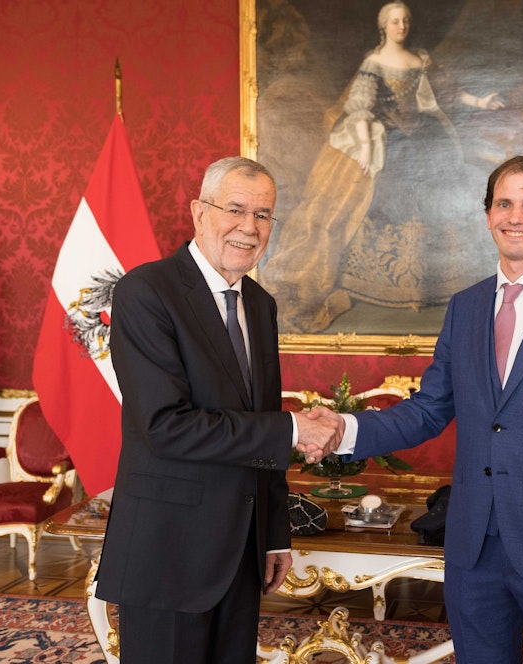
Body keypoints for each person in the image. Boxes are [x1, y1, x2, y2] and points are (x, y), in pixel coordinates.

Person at [309, 156, 523, 663]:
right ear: (487, 216)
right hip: (473, 550)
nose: (516, 217)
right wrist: (343, 429)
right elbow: (428, 410)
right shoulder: (465, 307)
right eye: (504, 204)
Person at [94, 156, 341, 664]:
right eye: (235, 209)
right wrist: (293, 428)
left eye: (263, 215)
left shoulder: (260, 304)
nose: (249, 227)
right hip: (169, 553)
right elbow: (167, 427)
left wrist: (274, 534)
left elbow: (262, 419)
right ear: (199, 212)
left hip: (242, 552)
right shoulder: (146, 292)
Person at [262, 0, 504, 333]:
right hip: (388, 138)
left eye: (405, 20)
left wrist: (480, 101)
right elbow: (360, 107)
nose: (401, 26)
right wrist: (365, 145)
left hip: (426, 134)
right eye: (394, 21)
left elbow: (447, 93)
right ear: (383, 26)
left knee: (438, 189)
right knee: (388, 189)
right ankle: (382, 279)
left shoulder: (421, 59)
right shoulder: (374, 62)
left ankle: (432, 280)